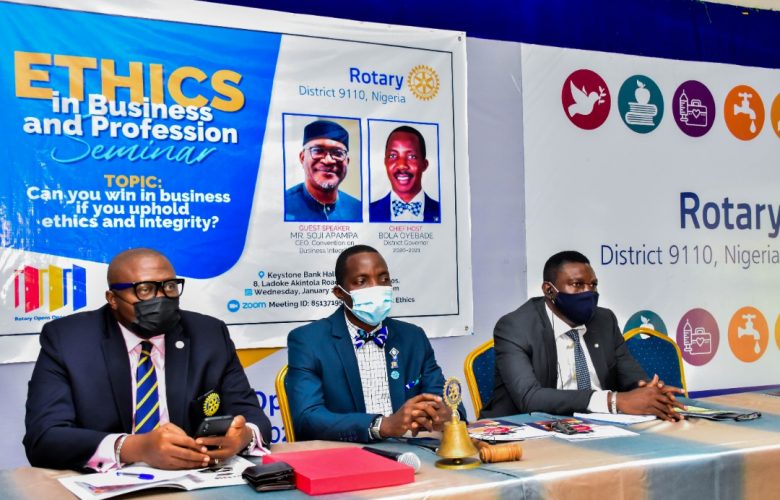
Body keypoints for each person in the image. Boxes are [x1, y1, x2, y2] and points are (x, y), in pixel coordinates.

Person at [24, 248, 272, 470]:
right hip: (106, 484)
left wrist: (243, 437)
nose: (161, 298)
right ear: (112, 299)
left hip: (193, 480)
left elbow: (253, 419)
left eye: (170, 286)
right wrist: (136, 447)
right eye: (144, 290)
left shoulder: (209, 334)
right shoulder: (68, 340)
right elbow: (44, 438)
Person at [286, 244, 464, 442]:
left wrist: (447, 415)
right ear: (339, 292)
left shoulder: (413, 337)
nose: (376, 288)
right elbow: (308, 418)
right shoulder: (309, 341)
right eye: (361, 281)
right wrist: (382, 426)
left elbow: (447, 400)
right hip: (346, 452)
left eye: (383, 279)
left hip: (412, 449)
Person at [481, 250, 685, 420]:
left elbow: (630, 375)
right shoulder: (516, 327)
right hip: (527, 429)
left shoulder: (604, 320)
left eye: (593, 285)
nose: (588, 292)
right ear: (549, 290)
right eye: (577, 284)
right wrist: (612, 401)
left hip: (599, 428)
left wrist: (649, 391)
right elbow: (530, 398)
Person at [284, 119, 361, 222]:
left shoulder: (358, 210)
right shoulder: (282, 205)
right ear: (302, 158)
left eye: (338, 153)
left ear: (347, 162)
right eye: (318, 151)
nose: (328, 161)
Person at [369, 125, 440, 223]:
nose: (401, 165)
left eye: (411, 156)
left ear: (424, 165)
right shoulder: (369, 212)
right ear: (385, 162)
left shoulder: (443, 211)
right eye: (393, 156)